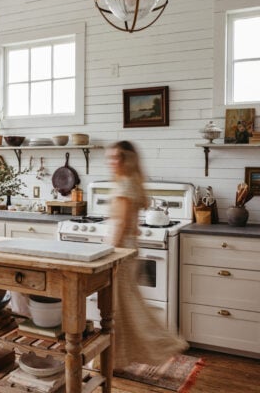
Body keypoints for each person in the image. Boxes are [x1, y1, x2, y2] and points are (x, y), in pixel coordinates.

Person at [105, 140, 188, 372]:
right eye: (109, 157)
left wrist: (107, 251)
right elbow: (132, 224)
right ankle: (117, 359)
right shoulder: (133, 183)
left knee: (118, 309)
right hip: (130, 248)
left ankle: (157, 345)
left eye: (116, 158)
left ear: (127, 160)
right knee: (124, 307)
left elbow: (121, 224)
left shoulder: (123, 186)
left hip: (120, 251)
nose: (111, 162)